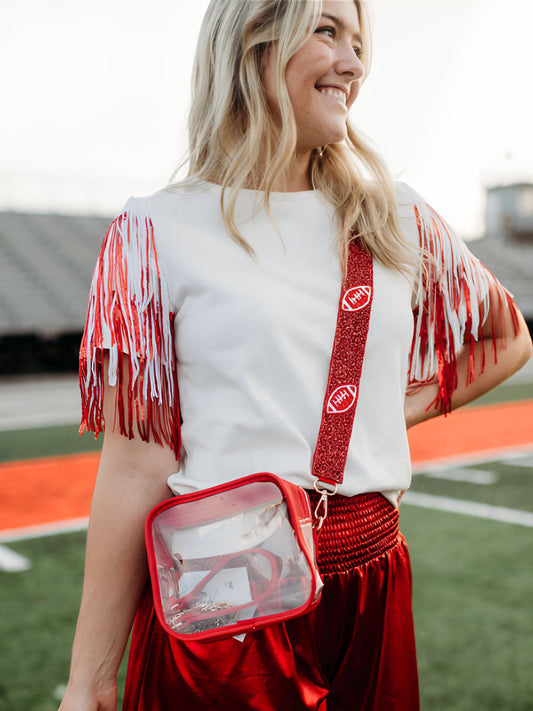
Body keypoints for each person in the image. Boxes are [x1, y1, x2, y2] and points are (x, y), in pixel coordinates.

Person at [59, 1, 533, 709]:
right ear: (252, 46)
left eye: (357, 41)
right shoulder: (154, 230)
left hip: (371, 582)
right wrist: (92, 678)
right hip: (226, 602)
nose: (353, 62)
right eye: (326, 32)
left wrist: (382, 414)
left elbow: (506, 337)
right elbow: (134, 464)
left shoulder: (396, 216)